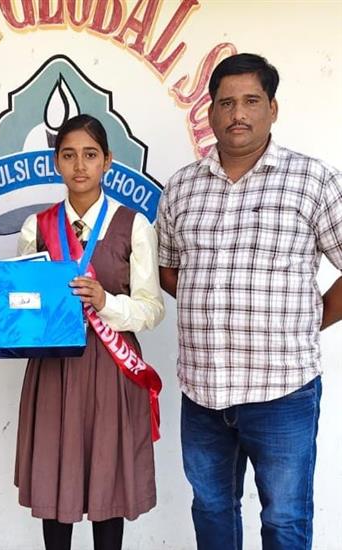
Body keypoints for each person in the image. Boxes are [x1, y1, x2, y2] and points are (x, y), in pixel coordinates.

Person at [158, 53, 342, 550]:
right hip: (203, 394)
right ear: (211, 112)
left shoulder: (314, 181)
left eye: (251, 101)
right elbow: (169, 269)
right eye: (226, 103)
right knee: (212, 510)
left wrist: (312, 319)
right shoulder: (181, 187)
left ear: (273, 108)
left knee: (284, 519)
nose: (238, 114)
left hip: (283, 391)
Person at [15, 114, 165, 550]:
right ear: (55, 163)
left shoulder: (133, 225)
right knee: (54, 479)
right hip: (55, 368)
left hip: (112, 369)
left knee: (107, 484)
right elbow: (25, 304)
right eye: (69, 155)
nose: (80, 165)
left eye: (90, 155)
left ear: (107, 161)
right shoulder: (37, 227)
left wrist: (105, 303)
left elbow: (152, 309)